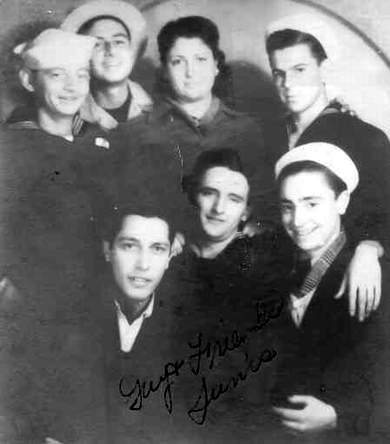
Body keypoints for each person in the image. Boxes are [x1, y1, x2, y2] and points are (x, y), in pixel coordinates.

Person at [0, 28, 110, 443]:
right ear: (30, 81)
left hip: (92, 313)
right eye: (56, 75)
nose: (71, 87)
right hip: (31, 315)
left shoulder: (102, 145)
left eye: (80, 75)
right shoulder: (10, 147)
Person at [265, 13, 390, 319]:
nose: (288, 84)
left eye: (300, 69)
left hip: (344, 287)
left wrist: (370, 248)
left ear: (323, 68)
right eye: (279, 73)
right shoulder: (270, 136)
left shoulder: (364, 137)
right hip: (282, 284)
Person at [269, 142, 387, 443]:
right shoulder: (281, 270)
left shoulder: (376, 276)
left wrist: (340, 417)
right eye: (287, 206)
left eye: (312, 203)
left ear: (343, 201)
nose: (297, 221)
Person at [110, 15, 273, 224]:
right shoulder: (135, 133)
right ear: (165, 71)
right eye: (178, 62)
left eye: (201, 59)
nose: (190, 72)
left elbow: (260, 205)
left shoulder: (246, 131)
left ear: (216, 65)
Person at [96, 198, 181, 444]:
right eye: (130, 246)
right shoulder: (69, 321)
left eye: (157, 249)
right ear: (107, 250)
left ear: (169, 257)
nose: (143, 264)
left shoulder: (187, 329)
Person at [61, 0, 152, 131]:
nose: (110, 51)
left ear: (132, 52)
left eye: (119, 42)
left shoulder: (160, 107)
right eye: (97, 44)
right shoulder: (66, 121)